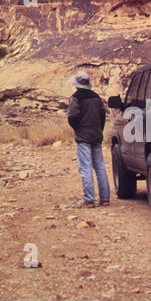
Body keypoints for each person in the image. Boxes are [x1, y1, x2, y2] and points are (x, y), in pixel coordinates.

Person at [67, 71, 110, 207]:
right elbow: (103, 116)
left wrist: (77, 129)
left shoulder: (75, 97)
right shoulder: (96, 97)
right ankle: (105, 198)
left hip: (83, 137)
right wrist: (99, 130)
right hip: (96, 135)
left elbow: (72, 117)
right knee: (100, 167)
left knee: (85, 167)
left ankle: (89, 199)